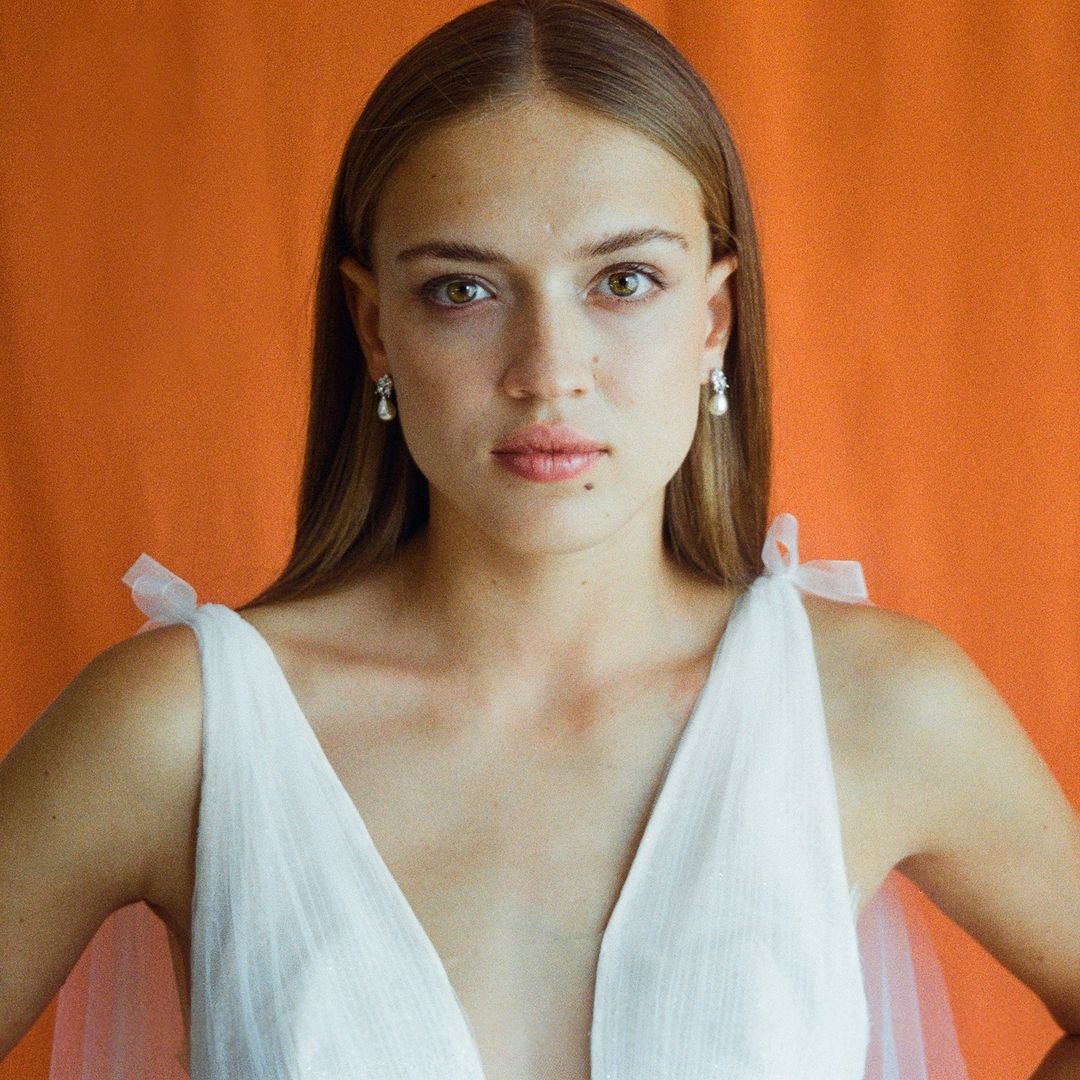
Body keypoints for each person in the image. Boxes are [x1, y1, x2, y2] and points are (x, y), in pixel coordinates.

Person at [2, 0, 1078, 1077]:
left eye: (624, 281)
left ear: (713, 319)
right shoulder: (182, 731)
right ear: (375, 327)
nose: (548, 371)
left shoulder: (877, 707)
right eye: (463, 290)